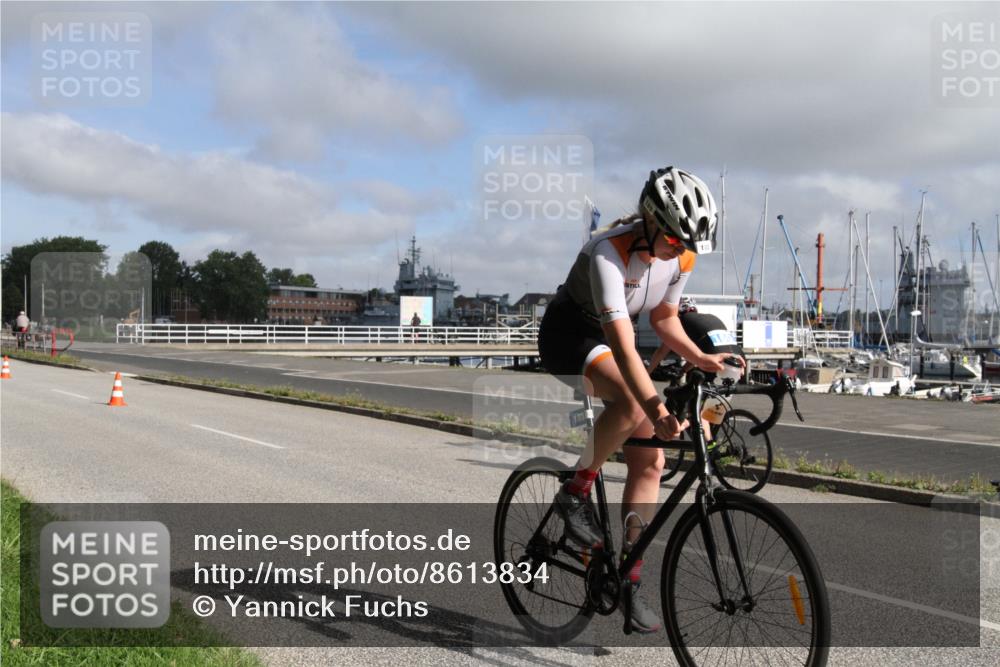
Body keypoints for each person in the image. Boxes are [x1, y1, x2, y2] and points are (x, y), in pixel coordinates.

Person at [537, 166, 744, 633]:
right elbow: (625, 345)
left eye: (688, 244)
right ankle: (575, 491)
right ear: (650, 221)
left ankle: (626, 578)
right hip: (569, 335)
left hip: (614, 341)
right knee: (632, 406)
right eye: (674, 239)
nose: (681, 250)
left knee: (650, 464)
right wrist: (654, 406)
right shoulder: (606, 254)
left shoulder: (681, 257)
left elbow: (666, 318)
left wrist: (704, 360)